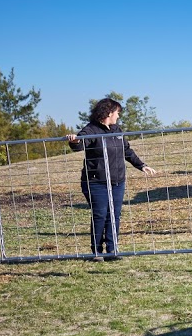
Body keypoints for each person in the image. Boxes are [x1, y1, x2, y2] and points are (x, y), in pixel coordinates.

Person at [66, 98, 157, 259]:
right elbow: (80, 144)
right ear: (109, 112)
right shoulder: (91, 129)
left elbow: (126, 150)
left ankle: (112, 249)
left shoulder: (116, 129)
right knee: (100, 214)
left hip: (117, 181)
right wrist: (74, 141)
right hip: (96, 182)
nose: (118, 116)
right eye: (117, 113)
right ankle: (96, 251)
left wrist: (141, 165)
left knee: (114, 214)